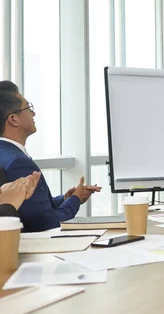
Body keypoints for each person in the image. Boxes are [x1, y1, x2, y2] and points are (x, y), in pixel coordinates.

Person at [0, 81, 101, 232]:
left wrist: (66, 199)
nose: (33, 114)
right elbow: (48, 223)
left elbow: (32, 210)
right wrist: (75, 200)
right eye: (29, 108)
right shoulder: (18, 163)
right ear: (13, 119)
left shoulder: (6, 153)